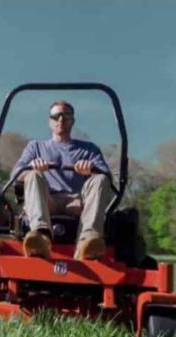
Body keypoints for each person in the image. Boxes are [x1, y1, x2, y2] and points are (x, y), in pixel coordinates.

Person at [11, 100, 114, 260]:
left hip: (78, 202)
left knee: (100, 178)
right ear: (49, 121)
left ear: (72, 121)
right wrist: (32, 167)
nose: (61, 120)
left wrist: (91, 169)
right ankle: (41, 235)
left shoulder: (89, 150)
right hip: (47, 200)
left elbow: (107, 176)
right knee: (31, 174)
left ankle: (87, 241)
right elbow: (16, 175)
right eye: (56, 116)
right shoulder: (35, 147)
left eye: (66, 116)